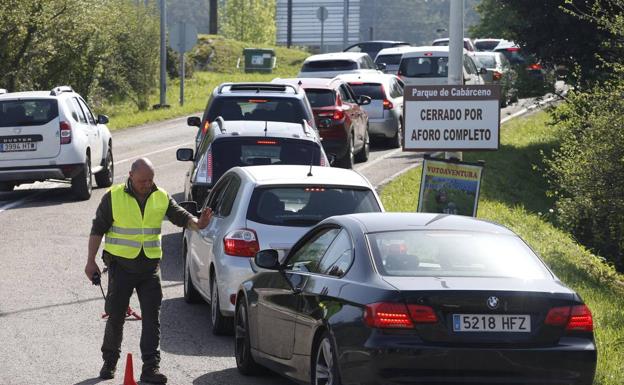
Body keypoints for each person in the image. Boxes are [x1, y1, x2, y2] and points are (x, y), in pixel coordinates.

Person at [84, 157, 212, 383]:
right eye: (142, 180)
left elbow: (180, 216)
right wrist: (90, 261)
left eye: (151, 179)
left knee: (152, 319)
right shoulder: (113, 197)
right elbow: (97, 229)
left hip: (150, 268)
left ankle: (150, 368)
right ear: (131, 175)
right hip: (121, 267)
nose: (147, 184)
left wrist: (197, 222)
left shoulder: (160, 195)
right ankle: (110, 362)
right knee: (115, 317)